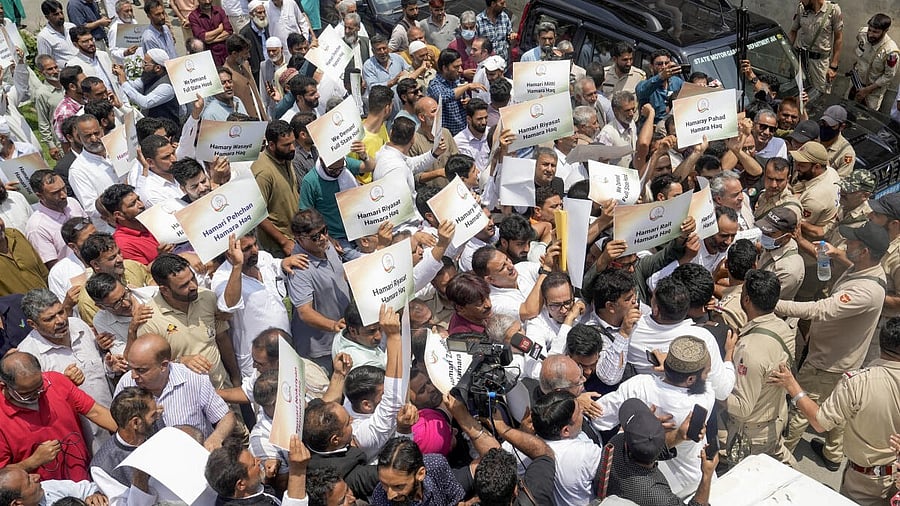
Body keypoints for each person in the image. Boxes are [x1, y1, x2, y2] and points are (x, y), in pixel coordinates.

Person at [777, 221, 888, 470]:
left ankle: (783, 457)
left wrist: (776, 303)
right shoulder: (869, 270)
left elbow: (819, 309)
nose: (845, 244)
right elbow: (852, 267)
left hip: (826, 363)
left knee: (802, 406)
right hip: (840, 358)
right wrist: (838, 254)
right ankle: (833, 455)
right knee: (837, 409)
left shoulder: (865, 292)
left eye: (852, 243)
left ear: (865, 251)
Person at [770, 317, 900, 505]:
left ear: (881, 342)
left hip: (865, 482)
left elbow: (820, 423)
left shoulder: (858, 382)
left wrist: (793, 387)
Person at [595, 335, 718, 496]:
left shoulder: (637, 387)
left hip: (650, 484)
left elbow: (599, 419)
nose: (707, 377)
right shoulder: (706, 397)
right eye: (706, 373)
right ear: (690, 379)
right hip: (695, 479)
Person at [0, 351, 116, 482]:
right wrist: (33, 461)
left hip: (84, 482)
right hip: (42, 495)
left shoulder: (56, 381)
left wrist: (133, 434)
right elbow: (2, 476)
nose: (37, 395)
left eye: (40, 387)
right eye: (27, 394)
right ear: (4, 386)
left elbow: (95, 412)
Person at [724, 269, 796, 465]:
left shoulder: (749, 350)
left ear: (746, 300)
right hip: (774, 419)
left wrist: (713, 387)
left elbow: (742, 408)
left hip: (750, 437)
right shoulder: (783, 329)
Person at [140, 253, 242, 390]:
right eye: (184, 285)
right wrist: (180, 362)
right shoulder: (149, 320)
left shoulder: (207, 297)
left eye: (192, 278)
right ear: (165, 290)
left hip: (223, 390)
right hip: (187, 401)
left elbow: (222, 339)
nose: (193, 286)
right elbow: (149, 367)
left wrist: (235, 377)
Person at [115, 333, 236, 447]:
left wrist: (216, 438)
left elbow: (226, 417)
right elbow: (118, 425)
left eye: (141, 370)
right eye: (131, 368)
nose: (133, 376)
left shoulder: (194, 379)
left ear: (163, 366)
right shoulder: (126, 384)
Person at [606, 398, 717, 506]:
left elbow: (649, 448)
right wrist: (707, 474)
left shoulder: (616, 443)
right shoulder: (656, 496)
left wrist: (679, 435)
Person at [212, 231, 292, 378]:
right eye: (247, 249)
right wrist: (237, 266)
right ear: (229, 253)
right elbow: (228, 306)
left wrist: (283, 263)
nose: (255, 250)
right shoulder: (221, 278)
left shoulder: (262, 258)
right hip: (257, 360)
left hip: (284, 347)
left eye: (255, 244)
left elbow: (275, 265)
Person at [286, 209, 351, 372]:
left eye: (324, 231)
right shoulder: (299, 268)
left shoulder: (327, 246)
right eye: (315, 236)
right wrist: (334, 325)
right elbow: (305, 312)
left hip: (343, 338)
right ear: (300, 239)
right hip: (321, 351)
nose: (322, 238)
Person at [89, 387, 163, 503]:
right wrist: (140, 472)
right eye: (153, 415)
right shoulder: (103, 467)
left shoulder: (156, 426)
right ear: (136, 423)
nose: (158, 416)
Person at [252, 120, 300, 255]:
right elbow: (257, 215)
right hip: (278, 246)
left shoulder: (286, 158)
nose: (292, 148)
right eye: (286, 145)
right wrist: (284, 242)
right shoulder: (263, 172)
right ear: (272, 145)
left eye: (293, 142)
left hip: (295, 237)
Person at [370, 437, 464, 506]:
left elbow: (457, 500)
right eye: (384, 484)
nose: (389, 496)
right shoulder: (380, 499)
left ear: (420, 474)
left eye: (398, 486)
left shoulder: (437, 466)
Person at [25, 171, 87, 269]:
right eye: (55, 193)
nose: (63, 195)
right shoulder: (37, 228)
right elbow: (54, 267)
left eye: (63, 188)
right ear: (40, 196)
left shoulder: (72, 203)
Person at [788, 0, 843, 95]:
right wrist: (786, 55)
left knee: (820, 94)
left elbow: (838, 39)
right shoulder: (801, 8)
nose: (801, 1)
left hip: (820, 64)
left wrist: (834, 66)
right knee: (797, 92)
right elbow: (793, 31)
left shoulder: (833, 10)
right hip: (801, 59)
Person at [117, 49, 181, 125]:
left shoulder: (166, 87)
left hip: (166, 130)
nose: (142, 66)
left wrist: (124, 83)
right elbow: (132, 86)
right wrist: (120, 75)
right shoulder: (149, 77)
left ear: (157, 68)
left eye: (145, 64)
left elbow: (145, 103)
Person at [100, 184, 159, 265]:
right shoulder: (123, 245)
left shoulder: (154, 218)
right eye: (132, 204)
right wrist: (162, 256)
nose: (141, 205)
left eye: (138, 199)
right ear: (119, 215)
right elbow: (145, 274)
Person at [755, 206, 805, 300]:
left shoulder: (789, 270)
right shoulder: (774, 245)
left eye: (771, 233)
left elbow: (762, 299)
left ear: (787, 236)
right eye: (764, 231)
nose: (765, 235)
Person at [850, 13, 898, 111]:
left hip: (872, 92)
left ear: (885, 31)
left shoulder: (891, 51)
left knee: (865, 119)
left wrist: (867, 90)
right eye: (870, 30)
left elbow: (888, 76)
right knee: (847, 110)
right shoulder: (862, 34)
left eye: (875, 32)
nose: (870, 34)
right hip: (855, 84)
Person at [33, 56, 66, 161]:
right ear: (41, 73)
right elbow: (43, 122)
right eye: (50, 69)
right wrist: (51, 145)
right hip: (62, 140)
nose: (55, 71)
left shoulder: (67, 84)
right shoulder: (41, 94)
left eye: (56, 67)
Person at [636, 49, 684, 121]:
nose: (664, 67)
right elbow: (641, 92)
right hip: (654, 126)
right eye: (659, 64)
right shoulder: (645, 85)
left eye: (667, 63)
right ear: (651, 66)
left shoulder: (677, 82)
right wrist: (661, 77)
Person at [597, 90, 638, 168]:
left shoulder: (632, 123)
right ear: (615, 111)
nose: (631, 113)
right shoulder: (607, 134)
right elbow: (602, 163)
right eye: (627, 110)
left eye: (633, 109)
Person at [189, 0, 232, 66]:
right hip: (209, 56)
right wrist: (219, 30)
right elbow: (203, 37)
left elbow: (228, 32)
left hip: (226, 52)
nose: (208, 2)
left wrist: (210, 40)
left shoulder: (219, 11)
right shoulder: (193, 16)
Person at [818, 105, 857, 177]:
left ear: (842, 126)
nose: (826, 129)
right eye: (824, 123)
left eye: (832, 126)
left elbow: (840, 183)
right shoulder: (816, 136)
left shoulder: (846, 153)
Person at [37, 1, 78, 68]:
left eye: (61, 12)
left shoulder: (71, 27)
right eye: (56, 14)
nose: (61, 16)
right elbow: (46, 61)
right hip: (67, 74)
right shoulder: (44, 37)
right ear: (47, 17)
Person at [241, 0, 269, 85]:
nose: (263, 15)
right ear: (251, 15)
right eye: (259, 13)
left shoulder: (266, 27)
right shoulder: (245, 33)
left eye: (264, 12)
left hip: (269, 66)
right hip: (257, 72)